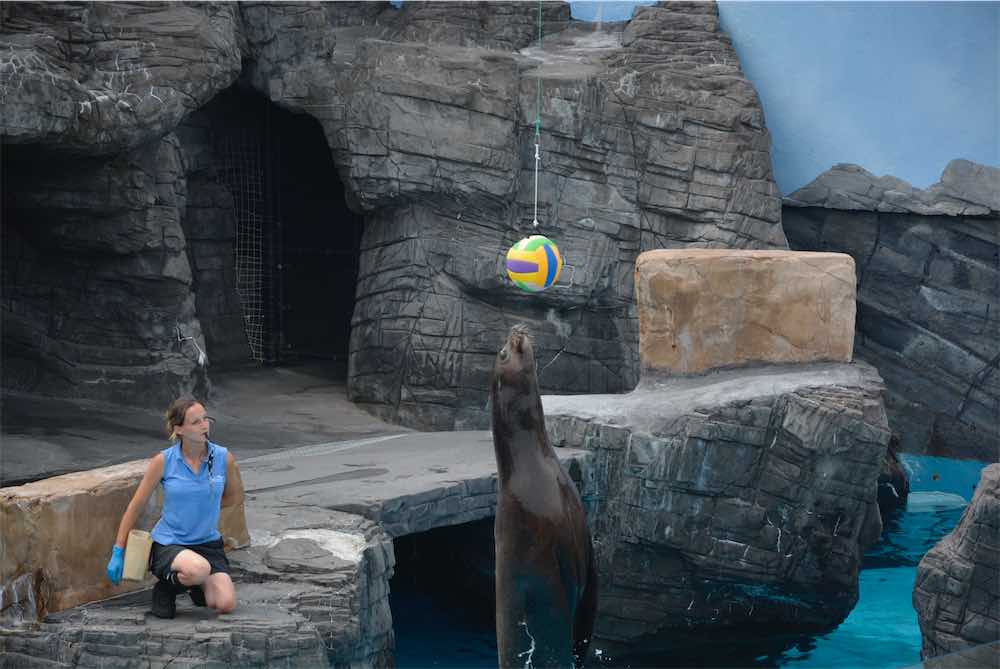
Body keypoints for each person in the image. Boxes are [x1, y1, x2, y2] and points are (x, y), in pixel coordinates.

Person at [105, 398, 244, 618]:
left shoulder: (223, 457)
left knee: (224, 603)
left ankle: (194, 585)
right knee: (198, 569)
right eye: (195, 421)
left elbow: (234, 497)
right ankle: (166, 588)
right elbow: (136, 505)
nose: (204, 425)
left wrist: (201, 508)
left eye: (206, 418)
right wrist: (118, 551)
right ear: (178, 429)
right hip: (171, 543)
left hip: (208, 543)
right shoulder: (164, 461)